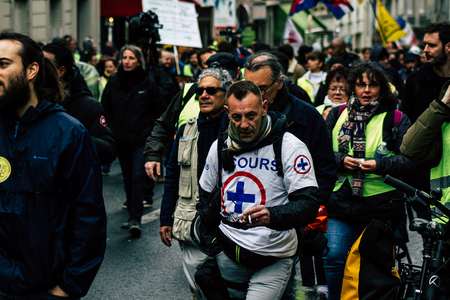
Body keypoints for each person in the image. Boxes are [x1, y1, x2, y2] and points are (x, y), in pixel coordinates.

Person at [0, 31, 106, 299]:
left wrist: (69, 287)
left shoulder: (68, 133)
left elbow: (88, 216)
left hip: (44, 288)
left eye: (2, 64)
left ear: (31, 70)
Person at [198, 80, 319, 299]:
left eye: (251, 115)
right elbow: (204, 200)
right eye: (236, 117)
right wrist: (214, 244)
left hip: (273, 256)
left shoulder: (290, 146)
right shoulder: (220, 146)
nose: (244, 124)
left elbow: (309, 205)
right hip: (228, 253)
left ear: (264, 108)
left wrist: (272, 215)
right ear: (227, 112)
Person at [243, 52, 337, 300]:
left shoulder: (307, 116)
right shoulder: (236, 118)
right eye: (250, 87)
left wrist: (310, 213)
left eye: (262, 88)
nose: (257, 95)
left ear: (280, 82)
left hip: (297, 221)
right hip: (249, 221)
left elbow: (325, 170)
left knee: (297, 289)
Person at [324, 62, 416, 300]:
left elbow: (409, 161)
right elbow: (320, 154)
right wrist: (340, 160)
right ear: (352, 86)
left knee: (376, 268)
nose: (366, 90)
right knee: (334, 258)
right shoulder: (337, 114)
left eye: (373, 85)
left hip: (381, 207)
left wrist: (379, 165)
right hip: (342, 205)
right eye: (361, 84)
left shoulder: (396, 118)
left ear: (382, 88)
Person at [159, 68, 233, 299]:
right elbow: (172, 175)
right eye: (199, 91)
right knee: (200, 288)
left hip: (229, 223)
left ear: (226, 94)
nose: (203, 95)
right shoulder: (186, 129)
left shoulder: (237, 129)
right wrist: (165, 219)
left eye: (211, 90)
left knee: (228, 288)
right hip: (192, 221)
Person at [144, 52, 241, 181]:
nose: (221, 80)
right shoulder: (189, 91)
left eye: (227, 76)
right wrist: (153, 155)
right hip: (190, 176)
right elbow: (163, 125)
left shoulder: (246, 98)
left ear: (237, 73)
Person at [102, 45, 166, 237]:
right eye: (124, 57)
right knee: (128, 178)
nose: (127, 61)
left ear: (139, 61)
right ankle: (132, 210)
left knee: (138, 176)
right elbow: (105, 109)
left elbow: (159, 112)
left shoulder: (148, 83)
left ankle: (135, 218)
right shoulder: (113, 82)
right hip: (121, 140)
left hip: (141, 140)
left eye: (131, 58)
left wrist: (153, 135)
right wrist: (110, 130)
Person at [400, 22, 450, 216]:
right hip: (423, 179)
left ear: (448, 46)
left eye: (432, 45)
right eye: (425, 45)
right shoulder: (416, 81)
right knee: (429, 241)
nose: (425, 50)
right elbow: (407, 129)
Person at [42, 41, 117, 167]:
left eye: (45, 65)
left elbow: (109, 151)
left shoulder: (87, 106)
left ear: (61, 71)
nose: (37, 69)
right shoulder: (33, 100)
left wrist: (75, 135)